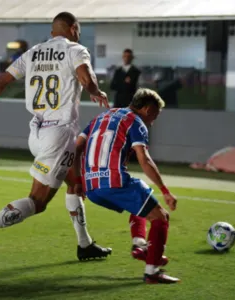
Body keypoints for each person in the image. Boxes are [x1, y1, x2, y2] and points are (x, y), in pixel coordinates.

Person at [0, 12, 112, 264]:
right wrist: (96, 91)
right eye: (79, 29)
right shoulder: (76, 49)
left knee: (76, 183)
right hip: (59, 134)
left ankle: (84, 244)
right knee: (37, 202)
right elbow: (85, 76)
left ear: (53, 32)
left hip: (38, 130)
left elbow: (3, 79)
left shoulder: (33, 53)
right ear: (73, 28)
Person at [73, 88, 180, 284]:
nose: (153, 121)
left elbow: (77, 146)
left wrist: (78, 180)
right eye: (155, 115)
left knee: (142, 195)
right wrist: (166, 191)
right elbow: (144, 159)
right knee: (161, 217)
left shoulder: (101, 117)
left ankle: (140, 245)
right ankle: (152, 272)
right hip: (113, 182)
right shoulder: (136, 122)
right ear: (147, 109)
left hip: (92, 187)